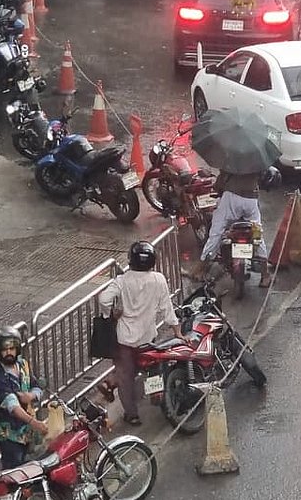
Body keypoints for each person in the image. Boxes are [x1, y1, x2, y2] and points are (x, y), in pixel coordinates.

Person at [97, 242, 183, 426]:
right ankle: (156, 396)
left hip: (125, 340)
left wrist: (109, 314)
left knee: (125, 377)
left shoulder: (122, 281)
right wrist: (177, 331)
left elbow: (103, 298)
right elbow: (167, 309)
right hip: (148, 338)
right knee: (153, 369)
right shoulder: (158, 279)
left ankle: (132, 414)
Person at [190, 168, 278, 288]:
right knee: (257, 233)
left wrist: (217, 186)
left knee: (216, 234)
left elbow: (219, 184)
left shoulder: (230, 162)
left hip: (231, 199)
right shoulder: (256, 162)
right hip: (250, 200)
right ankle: (265, 276)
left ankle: (201, 270)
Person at [0, 326, 50, 470]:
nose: (9, 352)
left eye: (12, 348)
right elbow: (13, 407)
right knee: (14, 472)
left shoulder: (23, 364)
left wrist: (31, 395)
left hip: (29, 432)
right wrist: (34, 423)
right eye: (5, 349)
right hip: (10, 435)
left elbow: (37, 386)